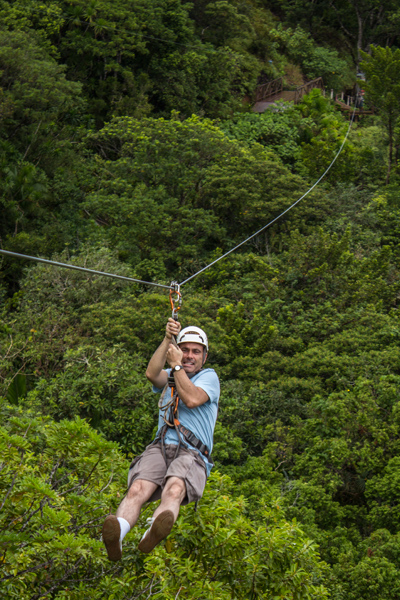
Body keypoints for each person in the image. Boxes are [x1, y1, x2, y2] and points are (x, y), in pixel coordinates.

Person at [102, 318, 220, 560]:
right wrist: (167, 339)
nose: (189, 356)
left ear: (204, 357)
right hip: (161, 445)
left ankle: (153, 530)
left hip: (192, 452)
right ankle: (118, 534)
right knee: (137, 489)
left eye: (195, 352)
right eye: (184, 350)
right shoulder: (168, 375)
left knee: (175, 488)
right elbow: (151, 373)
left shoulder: (209, 378)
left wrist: (176, 367)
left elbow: (192, 399)